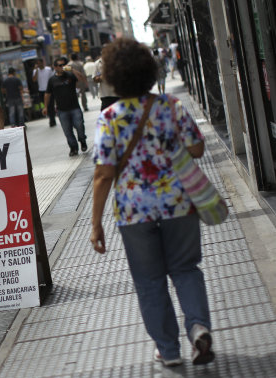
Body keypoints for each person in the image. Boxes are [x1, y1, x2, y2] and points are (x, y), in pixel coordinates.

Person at [90, 38, 215, 367]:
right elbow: (198, 149)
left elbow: (103, 174)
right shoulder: (171, 106)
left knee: (149, 281)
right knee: (186, 269)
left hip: (134, 213)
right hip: (179, 204)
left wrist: (95, 223)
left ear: (114, 76)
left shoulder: (110, 117)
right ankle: (199, 328)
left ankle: (169, 350)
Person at [43, 57, 88, 157]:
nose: (62, 67)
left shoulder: (70, 75)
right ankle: (73, 148)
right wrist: (45, 107)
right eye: (59, 65)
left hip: (74, 107)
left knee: (79, 125)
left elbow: (81, 78)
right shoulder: (52, 80)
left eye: (63, 65)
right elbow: (47, 94)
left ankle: (82, 140)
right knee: (67, 131)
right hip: (62, 110)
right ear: (55, 67)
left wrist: (72, 70)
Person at [33, 59, 56, 126]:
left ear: (43, 63)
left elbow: (52, 78)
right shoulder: (35, 71)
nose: (39, 65)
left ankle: (52, 119)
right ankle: (50, 117)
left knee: (51, 105)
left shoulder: (48, 69)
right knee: (45, 105)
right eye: (38, 64)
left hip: (49, 90)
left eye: (40, 63)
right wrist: (36, 70)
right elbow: (34, 80)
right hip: (41, 90)